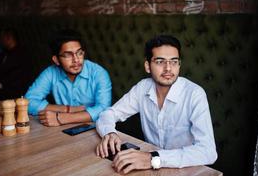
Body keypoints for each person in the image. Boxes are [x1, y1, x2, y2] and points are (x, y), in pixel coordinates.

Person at [95, 35, 217, 174]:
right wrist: (109, 132)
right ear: (147, 66)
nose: (168, 68)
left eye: (174, 61)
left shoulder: (195, 94)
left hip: (187, 170)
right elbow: (108, 114)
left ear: (179, 64)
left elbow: (208, 152)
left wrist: (154, 158)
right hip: (151, 169)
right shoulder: (142, 88)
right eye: (160, 61)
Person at [25, 29, 112, 126]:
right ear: (56, 60)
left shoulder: (99, 73)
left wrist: (61, 118)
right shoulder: (51, 73)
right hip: (62, 130)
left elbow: (104, 109)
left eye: (79, 53)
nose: (76, 60)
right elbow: (28, 103)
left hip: (94, 129)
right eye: (68, 55)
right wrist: (67, 109)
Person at [0, 27, 33, 99]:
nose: (0, 41)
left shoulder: (19, 54)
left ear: (8, 38)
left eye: (2, 38)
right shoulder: (6, 52)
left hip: (14, 94)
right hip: (3, 90)